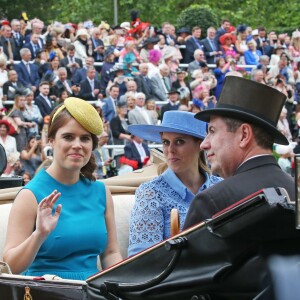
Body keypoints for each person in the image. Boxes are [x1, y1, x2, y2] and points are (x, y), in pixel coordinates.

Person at [3, 97, 122, 280]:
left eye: (85, 138)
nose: (77, 145)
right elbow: (10, 266)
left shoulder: (101, 191)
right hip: (46, 291)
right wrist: (39, 234)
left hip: (93, 291)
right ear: (51, 140)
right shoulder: (30, 195)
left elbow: (111, 253)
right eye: (68, 137)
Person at [183, 76, 295, 230]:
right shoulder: (294, 191)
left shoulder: (211, 201)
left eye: (212, 131)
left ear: (244, 135)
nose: (204, 144)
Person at [127, 111, 222, 256]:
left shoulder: (220, 187)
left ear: (200, 145)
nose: (170, 150)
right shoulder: (150, 193)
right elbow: (141, 260)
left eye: (179, 142)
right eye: (166, 142)